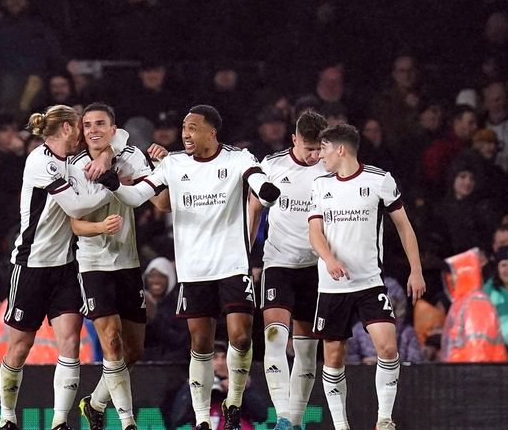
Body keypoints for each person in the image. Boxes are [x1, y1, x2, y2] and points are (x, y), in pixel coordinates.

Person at [96, 104, 281, 430]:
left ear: (212, 132)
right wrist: (115, 185)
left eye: (192, 127)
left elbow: (258, 181)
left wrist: (266, 192)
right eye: (184, 127)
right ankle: (201, 419)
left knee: (240, 337)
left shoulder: (238, 158)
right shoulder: (174, 163)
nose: (185, 133)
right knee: (200, 344)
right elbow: (139, 195)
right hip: (194, 271)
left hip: (232, 264)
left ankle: (234, 403)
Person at [0, 105, 113, 430]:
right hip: (31, 264)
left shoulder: (74, 164)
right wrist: (110, 186)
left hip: (64, 268)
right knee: (20, 346)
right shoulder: (39, 161)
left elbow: (115, 142)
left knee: (70, 343)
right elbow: (76, 205)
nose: (84, 133)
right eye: (79, 126)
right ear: (65, 128)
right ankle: (7, 415)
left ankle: (60, 421)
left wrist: (105, 158)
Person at [307, 123, 425, 430]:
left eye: (324, 149)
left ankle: (384, 420)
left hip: (370, 282)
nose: (321, 156)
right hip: (332, 286)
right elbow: (315, 232)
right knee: (334, 356)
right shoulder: (321, 185)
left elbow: (404, 227)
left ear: (341, 149)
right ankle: (341, 425)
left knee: (388, 348)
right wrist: (330, 259)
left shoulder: (379, 180)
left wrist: (416, 270)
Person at [69, 102, 169, 430]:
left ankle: (95, 403)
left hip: (127, 262)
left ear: (113, 130)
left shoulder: (132, 157)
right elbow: (75, 224)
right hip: (93, 262)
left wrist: (162, 167)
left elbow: (162, 205)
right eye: (88, 125)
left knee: (133, 350)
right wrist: (100, 228)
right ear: (82, 133)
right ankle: (128, 422)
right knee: (110, 340)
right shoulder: (75, 166)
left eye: (100, 123)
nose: (94, 129)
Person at [249, 110, 328, 430]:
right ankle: (282, 414)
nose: (313, 155)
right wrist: (247, 249)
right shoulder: (272, 165)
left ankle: (294, 420)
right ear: (294, 139)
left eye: (318, 148)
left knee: (307, 351)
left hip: (315, 267)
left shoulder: (329, 168)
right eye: (308, 147)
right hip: (278, 263)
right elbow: (254, 207)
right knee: (274, 337)